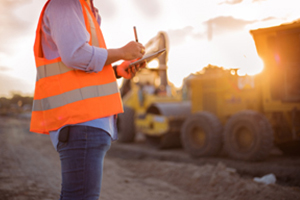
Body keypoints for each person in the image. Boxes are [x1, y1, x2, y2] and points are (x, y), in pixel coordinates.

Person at [30, 0, 145, 199]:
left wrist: (118, 70)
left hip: (85, 124)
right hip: (81, 123)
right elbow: (75, 55)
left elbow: (82, 67)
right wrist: (122, 52)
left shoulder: (82, 8)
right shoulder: (66, 4)